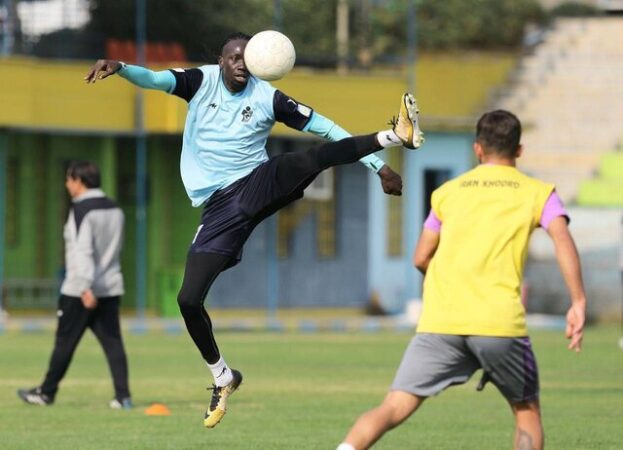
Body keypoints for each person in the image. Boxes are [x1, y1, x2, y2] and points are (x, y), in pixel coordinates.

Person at [84, 32, 424, 428]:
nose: (240, 63)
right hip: (218, 209)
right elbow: (156, 80)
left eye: (247, 58)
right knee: (188, 299)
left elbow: (326, 128)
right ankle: (222, 376)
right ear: (221, 59)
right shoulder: (200, 81)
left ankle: (393, 134)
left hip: (256, 181)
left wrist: (379, 165)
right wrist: (122, 68)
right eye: (233, 57)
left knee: (307, 159)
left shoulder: (268, 97)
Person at [337, 110, 587, 450]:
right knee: (526, 412)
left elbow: (420, 257)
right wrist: (578, 301)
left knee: (393, 407)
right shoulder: (538, 193)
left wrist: (447, 284)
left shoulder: (447, 193)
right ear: (519, 151)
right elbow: (562, 238)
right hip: (498, 324)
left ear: (478, 149)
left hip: (441, 321)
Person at [18, 161, 132, 409]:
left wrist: (85, 287)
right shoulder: (116, 209)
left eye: (69, 180)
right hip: (110, 286)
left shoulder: (81, 210)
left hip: (81, 290)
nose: (67, 185)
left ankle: (46, 393)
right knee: (113, 342)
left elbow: (83, 252)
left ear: (79, 181)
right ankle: (122, 396)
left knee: (65, 343)